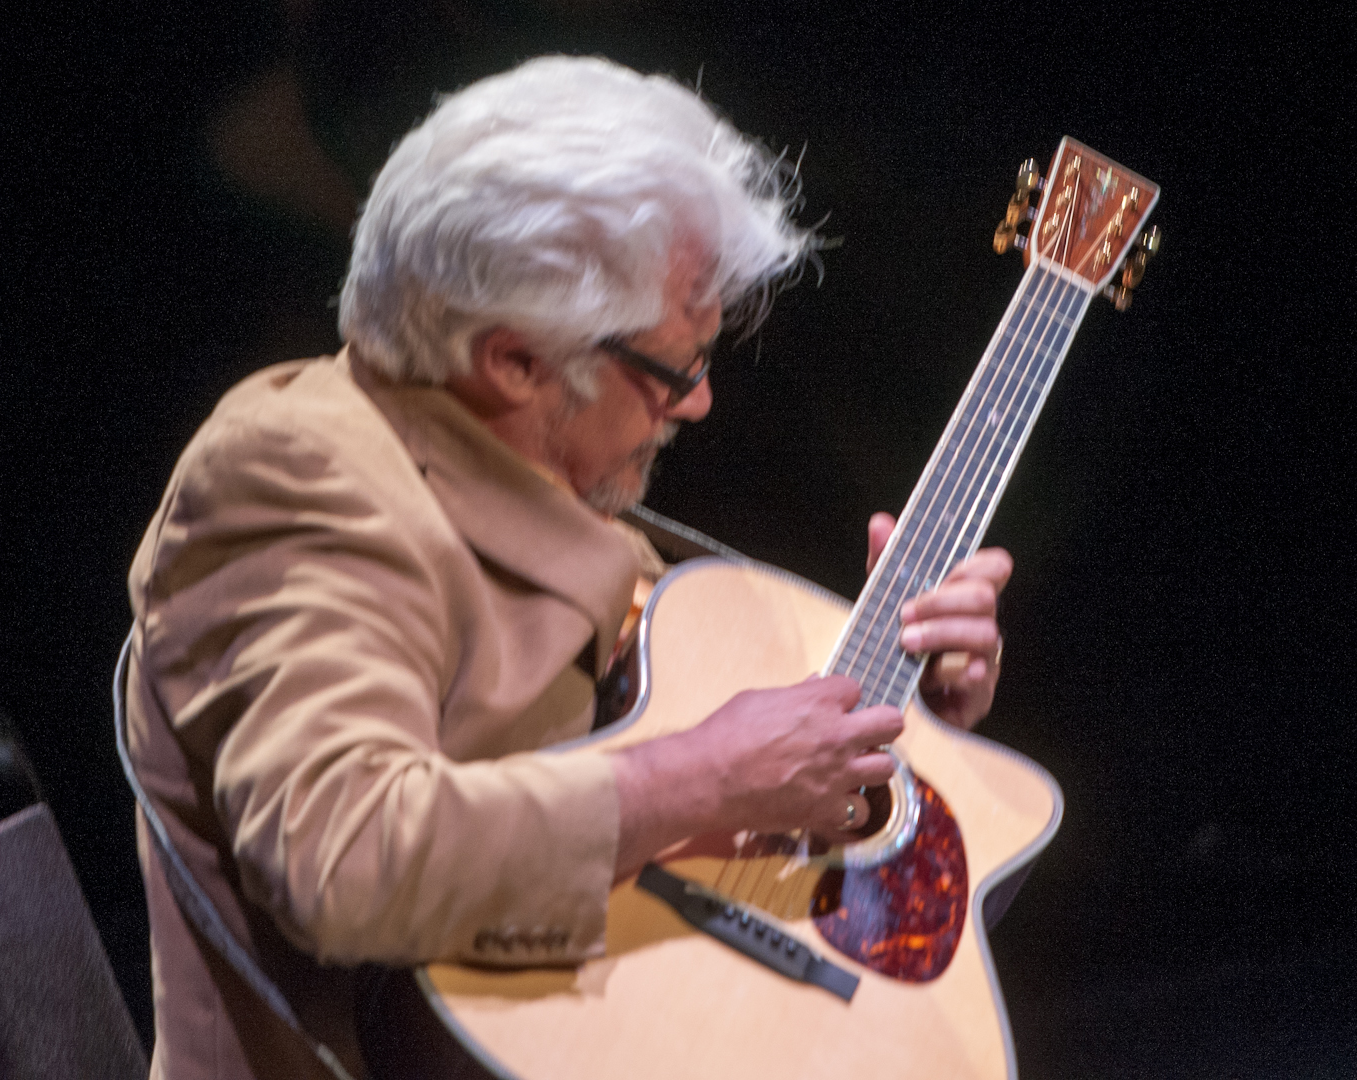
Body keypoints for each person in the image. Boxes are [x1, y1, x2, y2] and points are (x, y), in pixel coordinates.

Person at [124, 55, 1011, 1080]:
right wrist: (711, 777)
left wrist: (908, 701)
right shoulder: (297, 483)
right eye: (675, 369)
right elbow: (348, 858)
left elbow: (645, 750)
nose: (697, 404)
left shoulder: (529, 479)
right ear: (514, 362)